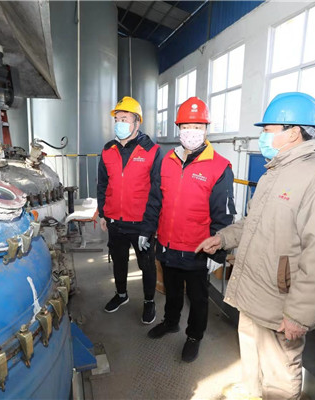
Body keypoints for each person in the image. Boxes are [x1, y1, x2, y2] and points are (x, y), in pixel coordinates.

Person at [196, 92, 315, 398]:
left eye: (267, 130)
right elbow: (252, 223)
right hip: (252, 291)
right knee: (251, 360)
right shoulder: (274, 173)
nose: (262, 137)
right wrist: (223, 238)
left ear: (293, 132)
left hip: (280, 302)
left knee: (280, 374)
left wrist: (299, 314)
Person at [147, 97, 235, 363]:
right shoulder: (167, 160)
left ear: (206, 129)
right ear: (178, 129)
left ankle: (194, 336)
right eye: (186, 126)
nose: (191, 132)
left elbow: (223, 215)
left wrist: (217, 253)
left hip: (198, 248)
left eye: (197, 126)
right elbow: (155, 200)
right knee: (172, 290)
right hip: (168, 244)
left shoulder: (219, 167)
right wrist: (148, 231)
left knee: (198, 298)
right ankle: (170, 322)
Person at [97, 96, 162, 324]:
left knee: (147, 265)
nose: (119, 123)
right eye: (117, 119)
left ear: (137, 122)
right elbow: (102, 184)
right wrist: (103, 212)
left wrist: (150, 226)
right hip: (115, 221)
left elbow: (157, 192)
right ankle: (121, 294)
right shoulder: (108, 150)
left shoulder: (152, 150)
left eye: (124, 119)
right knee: (119, 260)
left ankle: (149, 301)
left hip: (141, 223)